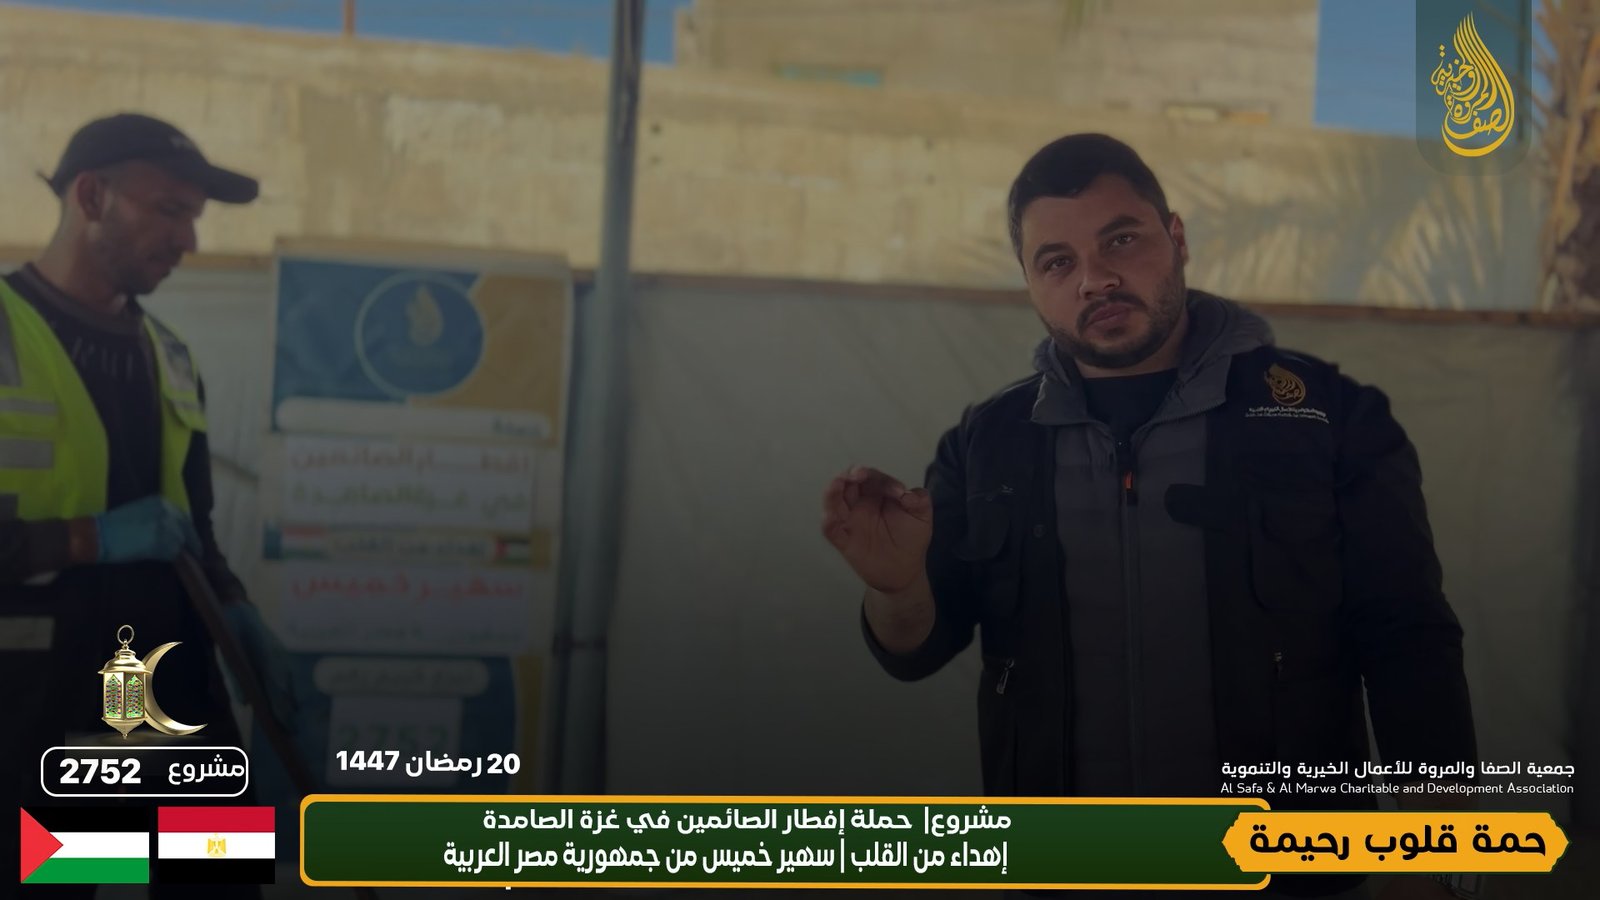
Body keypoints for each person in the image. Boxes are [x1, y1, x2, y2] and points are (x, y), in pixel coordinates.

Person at [822, 134, 1478, 900]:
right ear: (1031, 284)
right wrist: (897, 586)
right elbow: (917, 649)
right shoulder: (987, 442)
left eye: (1121, 240)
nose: (1095, 278)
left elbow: (1408, 641)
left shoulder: (1330, 418)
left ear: (1177, 239)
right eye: (1057, 262)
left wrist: (1441, 858)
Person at [1, 113, 285, 897]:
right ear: (92, 197)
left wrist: (235, 608)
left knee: (221, 874)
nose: (188, 239)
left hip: (169, 706)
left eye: (194, 217)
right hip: (34, 716)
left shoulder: (174, 358)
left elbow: (197, 530)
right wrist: (86, 539)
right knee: (52, 875)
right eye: (170, 210)